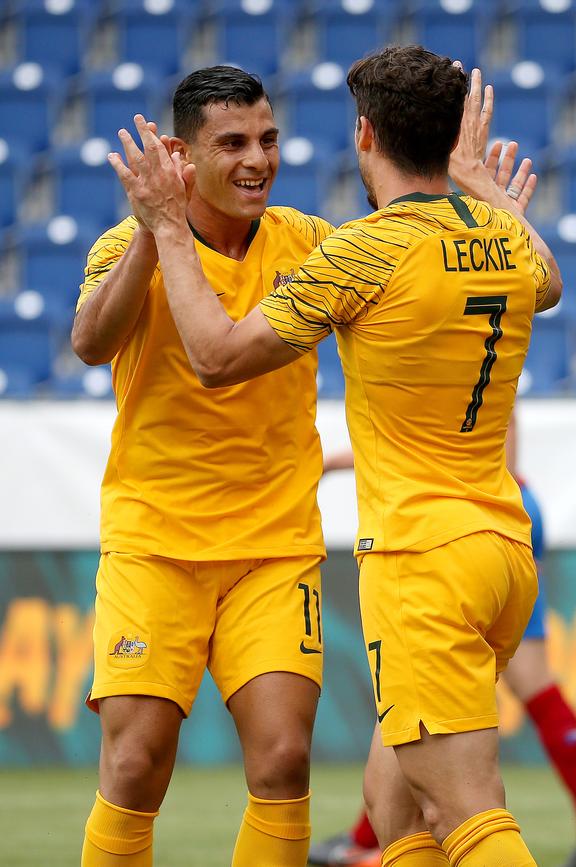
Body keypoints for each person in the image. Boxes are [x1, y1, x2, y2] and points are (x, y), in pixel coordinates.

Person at [108, 45, 563, 866]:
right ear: (449, 140)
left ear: (364, 135)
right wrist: (486, 188)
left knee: (463, 806)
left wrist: (168, 226)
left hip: (424, 560)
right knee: (394, 809)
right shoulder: (502, 237)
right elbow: (551, 278)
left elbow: (214, 355)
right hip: (503, 547)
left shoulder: (361, 251)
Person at [72, 66, 340, 867]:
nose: (257, 158)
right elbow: (89, 344)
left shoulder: (315, 243)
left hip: (275, 544)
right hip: (155, 543)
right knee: (133, 765)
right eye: (232, 143)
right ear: (182, 157)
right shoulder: (126, 243)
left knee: (285, 757)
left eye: (268, 139)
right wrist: (158, 233)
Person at [308, 417, 576, 867]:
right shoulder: (490, 349)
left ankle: (369, 840)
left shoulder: (414, 357)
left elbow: (410, 439)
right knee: (528, 683)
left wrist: (325, 462)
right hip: (504, 501)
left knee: (418, 684)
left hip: (455, 514)